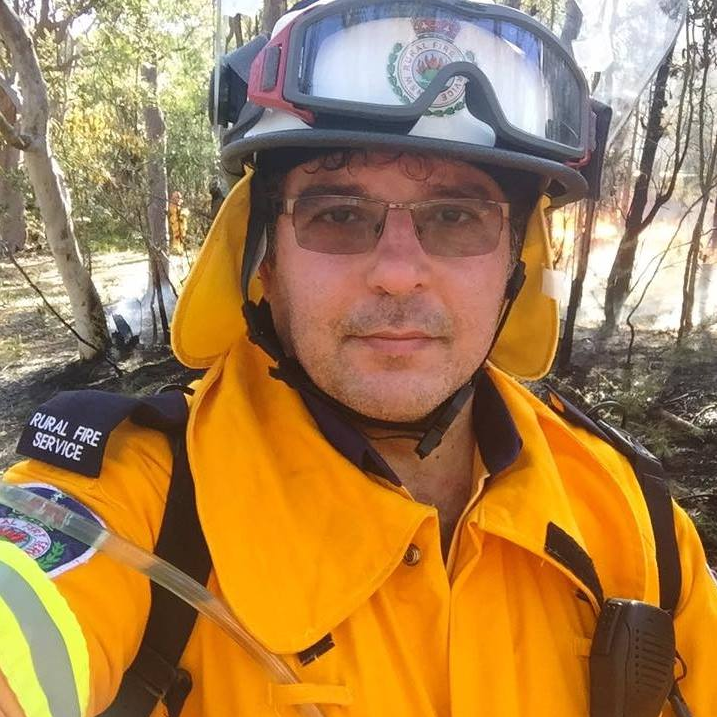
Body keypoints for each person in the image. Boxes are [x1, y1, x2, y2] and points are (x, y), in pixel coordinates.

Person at [0, 1, 715, 716]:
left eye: (456, 217)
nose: (398, 272)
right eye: (338, 215)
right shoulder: (133, 507)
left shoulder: (630, 515)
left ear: (514, 263)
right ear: (262, 260)